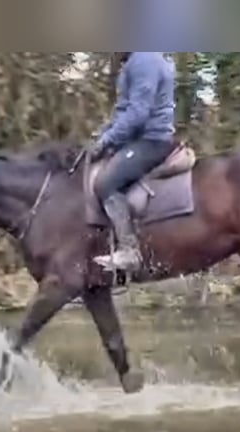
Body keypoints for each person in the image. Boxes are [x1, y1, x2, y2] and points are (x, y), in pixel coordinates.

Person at [89, 51, 177, 272]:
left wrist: (107, 140)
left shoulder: (144, 59)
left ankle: (129, 251)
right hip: (140, 138)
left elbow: (138, 113)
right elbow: (126, 109)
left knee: (106, 184)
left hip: (150, 140)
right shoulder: (142, 58)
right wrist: (106, 132)